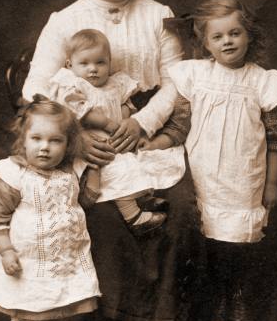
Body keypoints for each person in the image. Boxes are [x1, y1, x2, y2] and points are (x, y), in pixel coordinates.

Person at [22, 0, 200, 321]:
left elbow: (180, 81)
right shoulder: (64, 20)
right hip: (93, 147)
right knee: (104, 214)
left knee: (176, 208)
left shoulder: (158, 14)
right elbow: (36, 89)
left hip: (148, 139)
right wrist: (79, 136)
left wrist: (142, 122)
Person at [168, 0, 277, 321]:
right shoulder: (196, 76)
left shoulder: (261, 81)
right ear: (205, 43)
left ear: (248, 35)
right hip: (204, 176)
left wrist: (271, 183)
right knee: (210, 243)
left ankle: (239, 297)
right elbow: (179, 125)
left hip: (244, 178)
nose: (228, 42)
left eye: (235, 33)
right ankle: (219, 298)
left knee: (239, 244)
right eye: (218, 37)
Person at [0, 98, 101, 321]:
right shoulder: (14, 175)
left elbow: (86, 202)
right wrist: (6, 251)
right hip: (26, 259)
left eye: (55, 140)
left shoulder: (71, 171)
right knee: (24, 313)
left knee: (72, 304)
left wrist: (94, 173)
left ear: (68, 145)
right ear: (23, 140)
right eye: (37, 139)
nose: (45, 147)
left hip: (68, 254)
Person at [49, 28, 186, 238]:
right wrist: (111, 125)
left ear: (109, 63)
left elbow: (126, 105)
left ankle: (141, 196)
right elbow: (81, 113)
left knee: (142, 160)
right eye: (84, 63)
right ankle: (133, 217)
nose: (93, 69)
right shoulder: (72, 84)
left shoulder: (116, 83)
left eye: (100, 62)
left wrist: (124, 119)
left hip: (116, 138)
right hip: (91, 142)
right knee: (116, 171)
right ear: (70, 65)